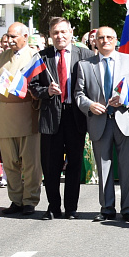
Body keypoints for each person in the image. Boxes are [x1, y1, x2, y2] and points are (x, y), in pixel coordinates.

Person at [75, 25, 129, 221]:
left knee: (127, 168)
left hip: (125, 119)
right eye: (101, 38)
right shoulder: (85, 65)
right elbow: (79, 94)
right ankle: (107, 208)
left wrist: (127, 98)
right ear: (95, 41)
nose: (105, 40)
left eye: (109, 37)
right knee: (103, 167)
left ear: (116, 40)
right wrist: (89, 105)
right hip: (99, 121)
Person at [31, 17, 94, 219]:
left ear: (71, 33)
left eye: (63, 32)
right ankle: (53, 206)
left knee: (74, 164)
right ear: (50, 36)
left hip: (75, 116)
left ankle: (71, 207)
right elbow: (32, 86)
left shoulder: (84, 55)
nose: (60, 36)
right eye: (55, 33)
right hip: (51, 116)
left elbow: (93, 84)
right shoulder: (42, 57)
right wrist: (46, 91)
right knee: (51, 165)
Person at [0, 22, 43, 215]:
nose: (10, 40)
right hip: (4, 114)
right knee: (10, 162)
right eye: (8, 36)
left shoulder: (35, 57)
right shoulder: (1, 58)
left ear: (25, 37)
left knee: (30, 162)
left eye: (14, 37)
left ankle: (30, 199)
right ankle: (16, 199)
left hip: (27, 113)